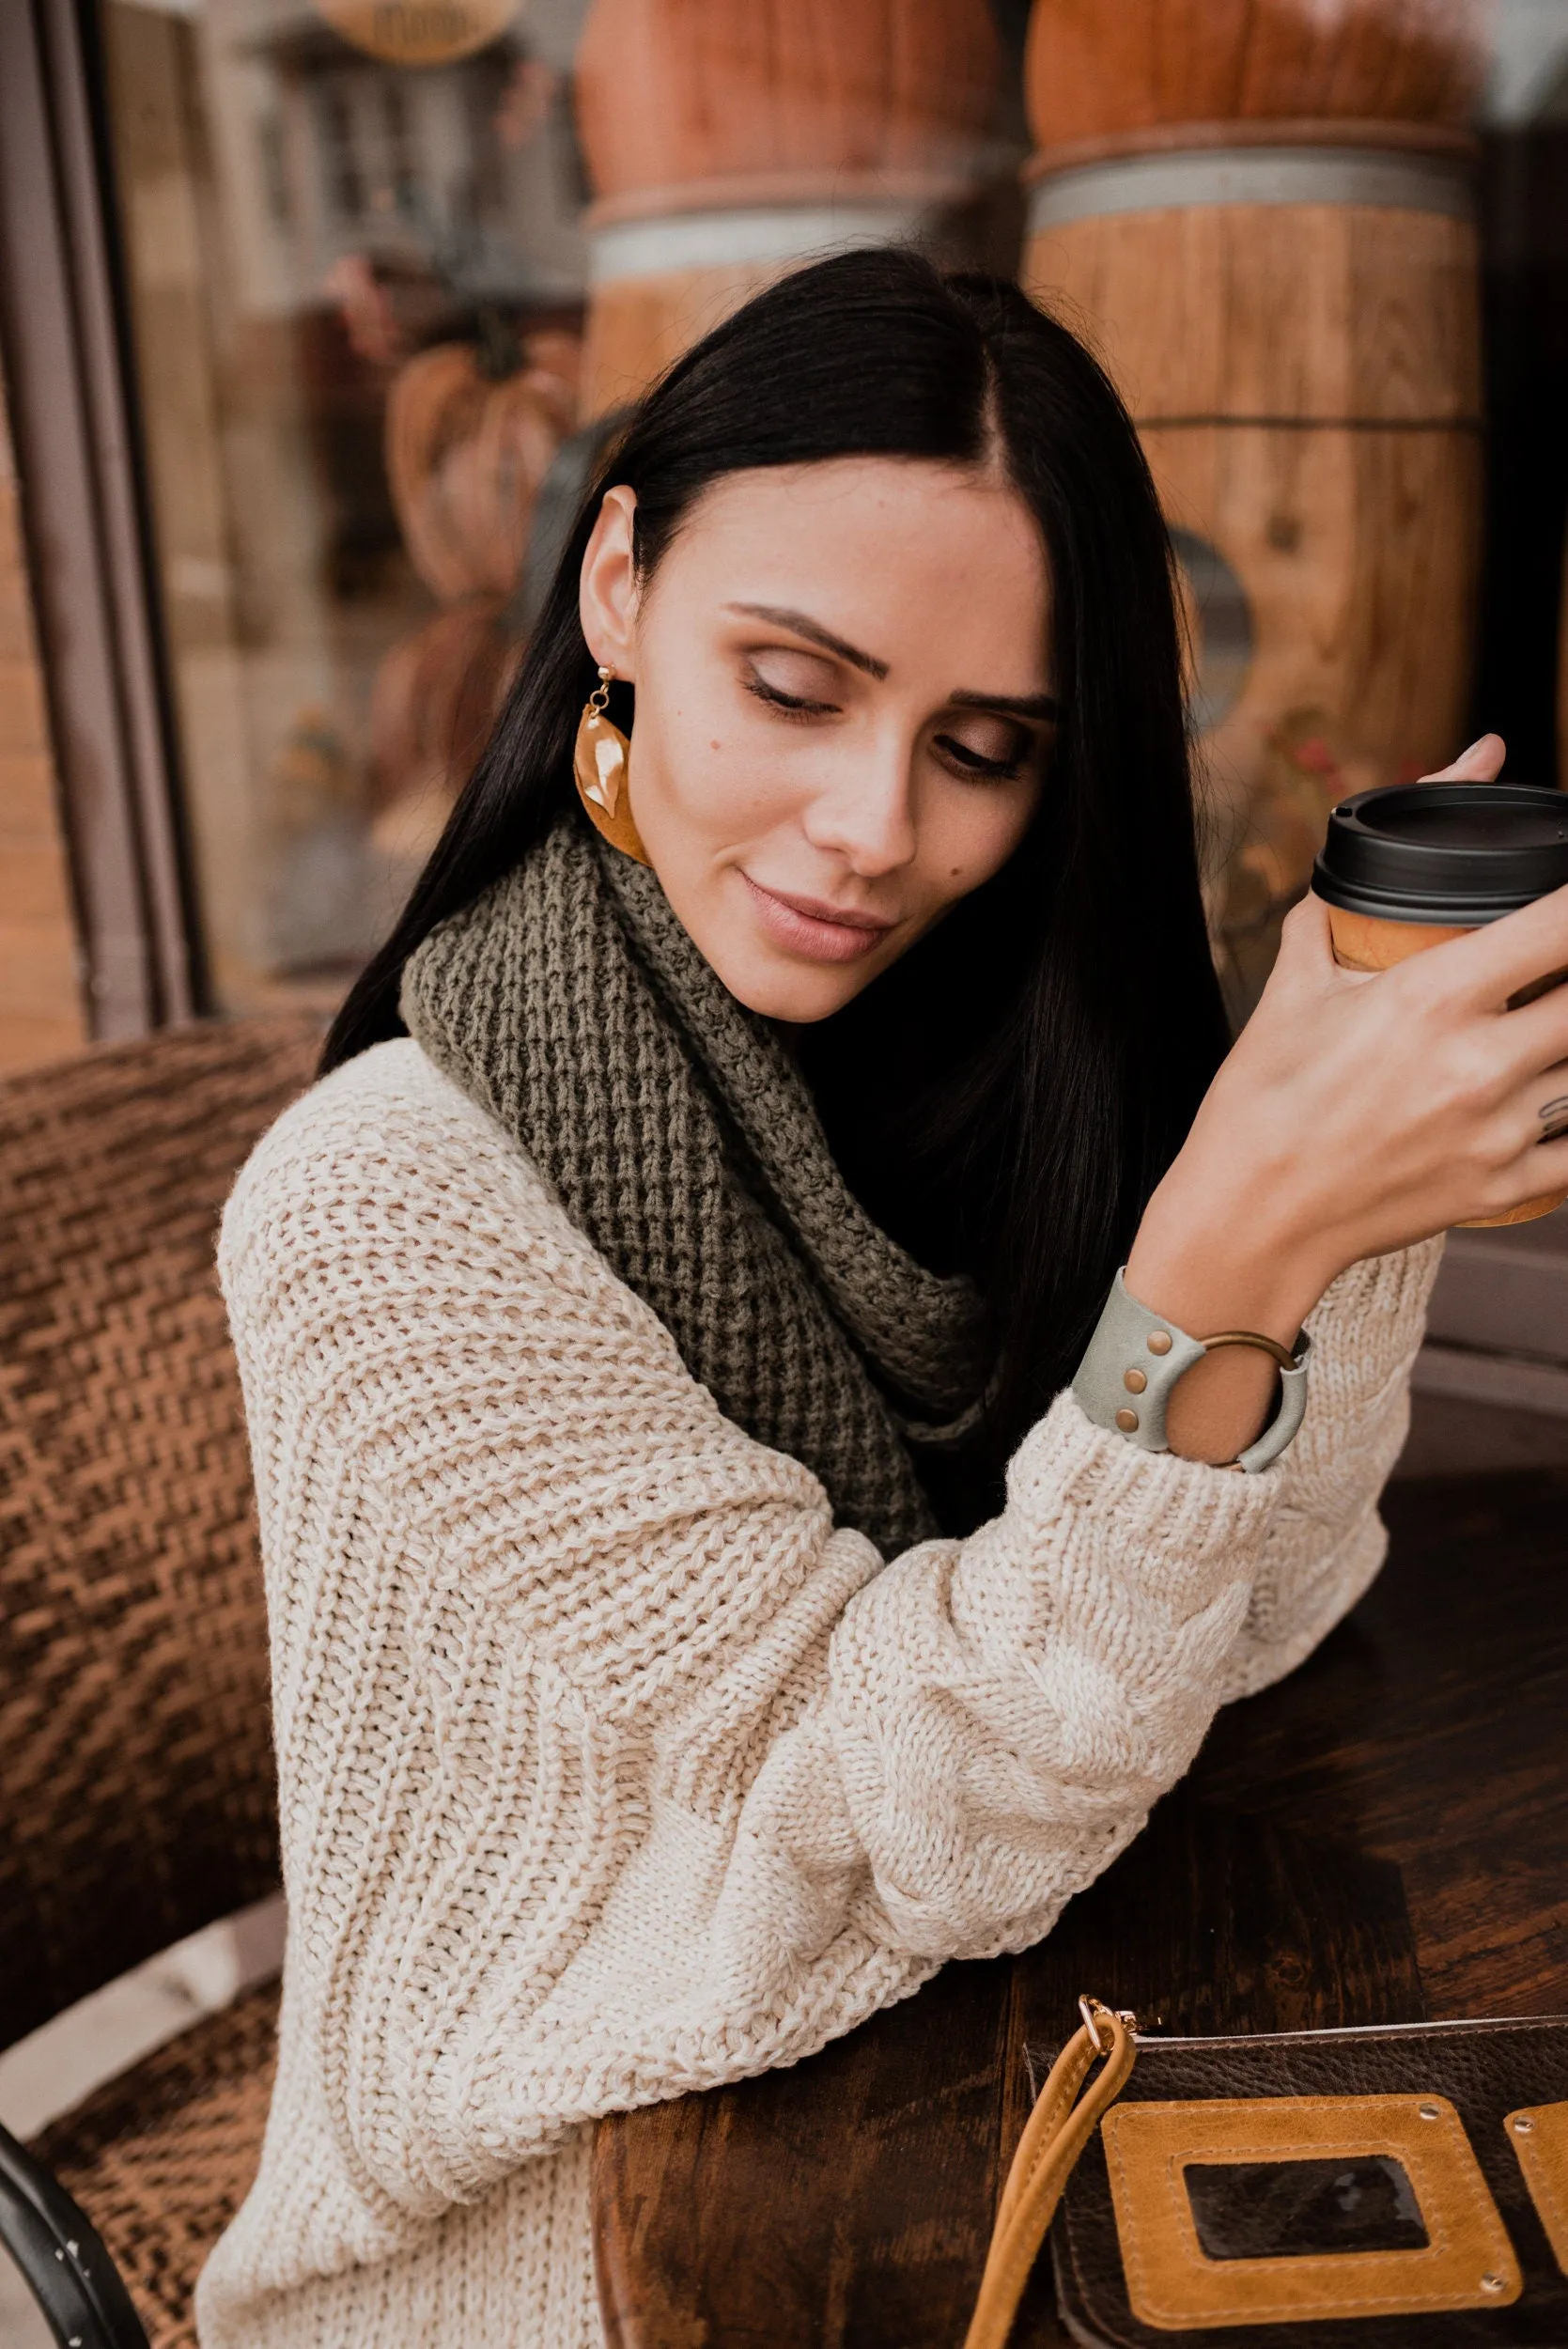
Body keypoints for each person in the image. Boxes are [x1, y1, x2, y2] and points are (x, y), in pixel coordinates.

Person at [196, 250, 1568, 2347]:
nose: (874, 830)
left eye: (985, 744)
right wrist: (1233, 1246)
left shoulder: (964, 1045)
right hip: (562, 2237)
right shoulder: (385, 1207)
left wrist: (1341, 1161)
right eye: (795, 683)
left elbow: (1245, 1620)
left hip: (962, 2086)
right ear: (622, 587)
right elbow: (913, 1811)